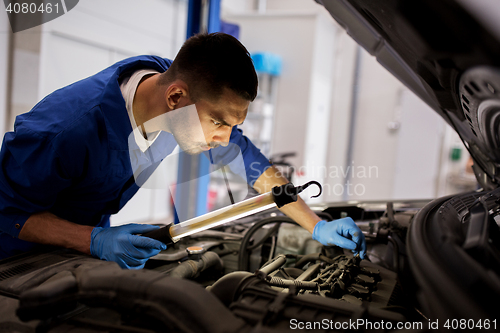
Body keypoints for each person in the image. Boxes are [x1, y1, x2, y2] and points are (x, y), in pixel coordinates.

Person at [0, 32, 366, 268]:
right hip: (16, 263)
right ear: (176, 97)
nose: (225, 139)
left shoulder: (176, 99)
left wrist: (316, 226)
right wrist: (93, 240)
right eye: (220, 123)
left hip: (76, 252)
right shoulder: (67, 130)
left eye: (232, 126)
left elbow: (247, 160)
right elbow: (6, 212)